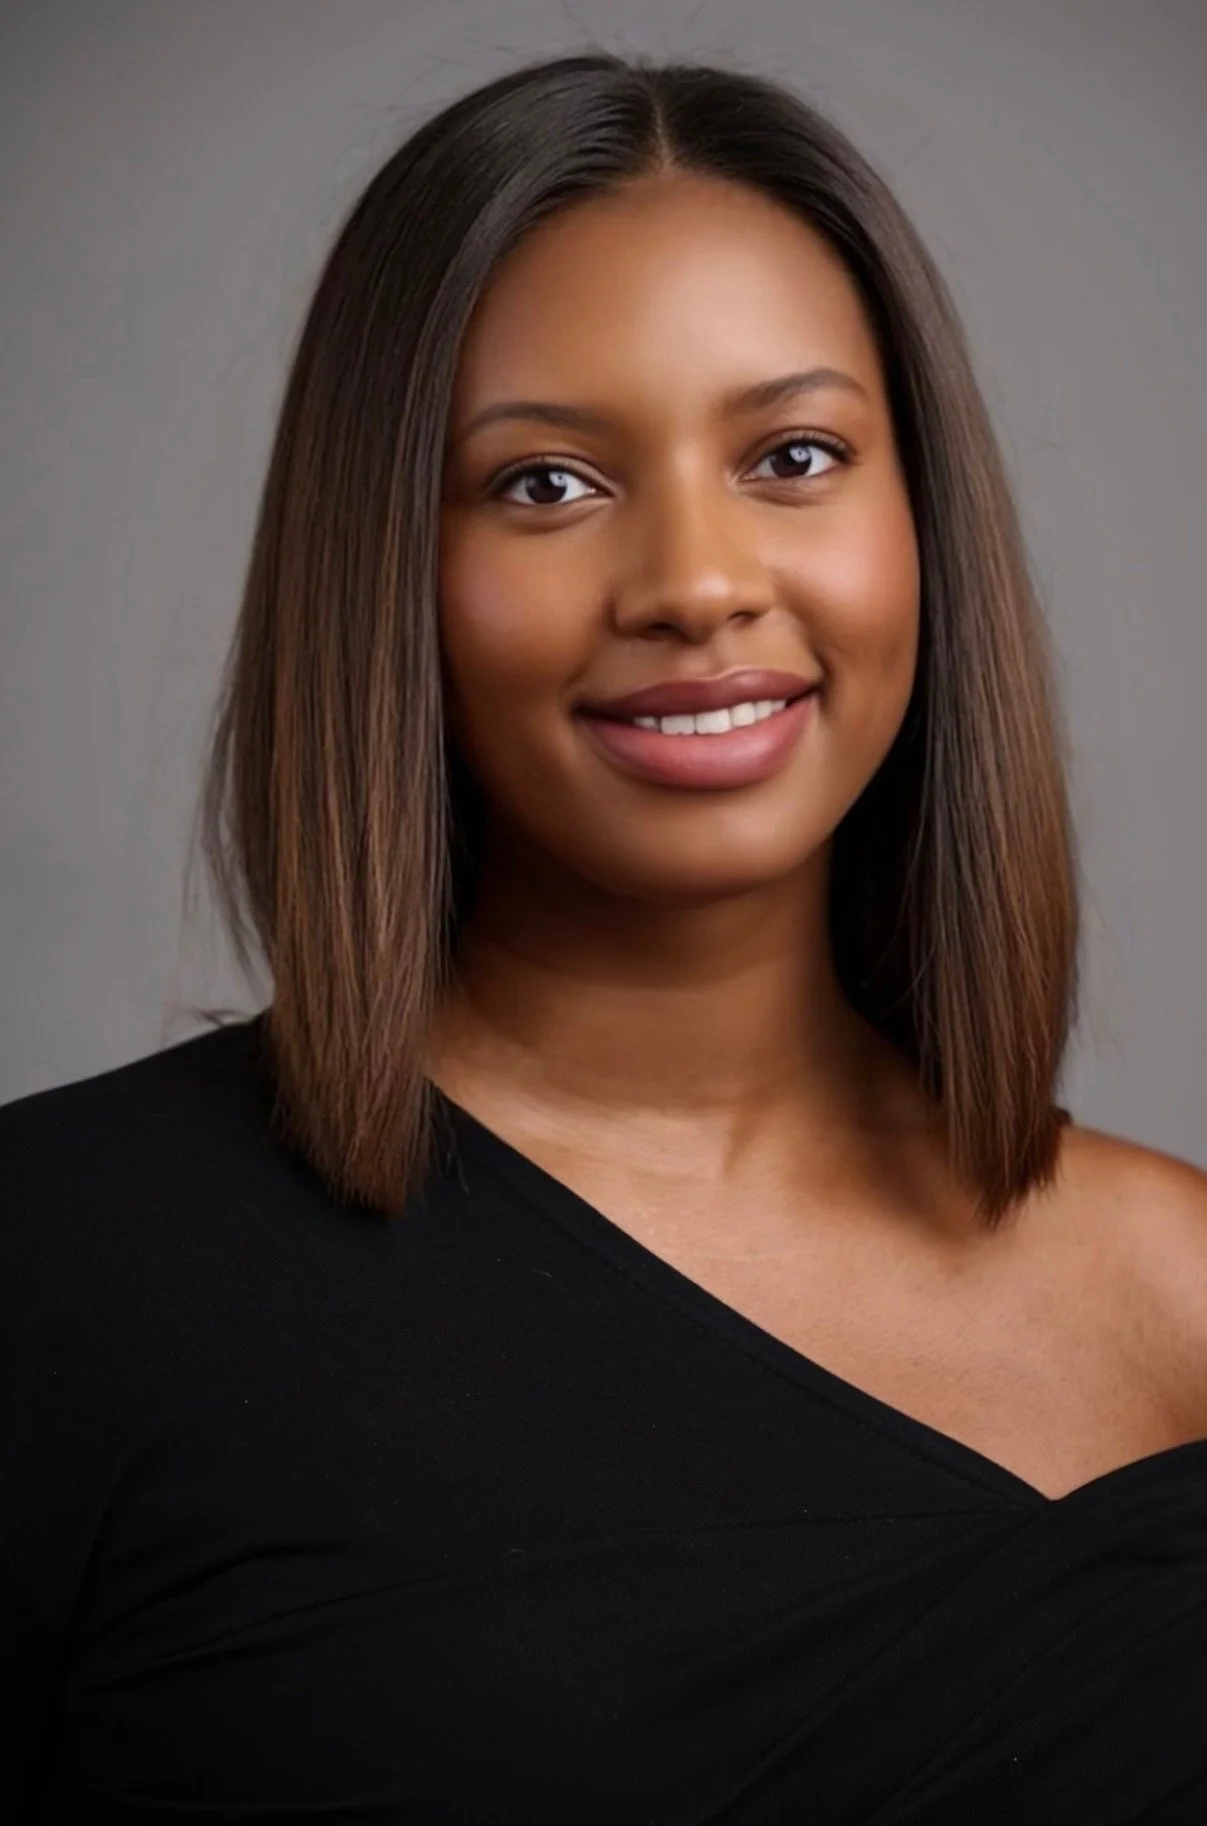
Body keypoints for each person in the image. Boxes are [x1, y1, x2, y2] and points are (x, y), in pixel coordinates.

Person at [2, 48, 1205, 1824]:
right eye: (545, 484)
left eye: (793, 454)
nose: (697, 582)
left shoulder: (1182, 1293)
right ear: (386, 565)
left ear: (921, 520)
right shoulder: (61, 1264)